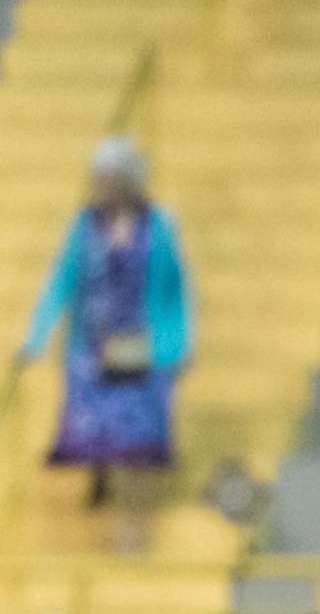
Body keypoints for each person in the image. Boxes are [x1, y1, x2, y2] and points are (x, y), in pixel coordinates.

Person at [16, 136, 192, 514]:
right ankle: (99, 482)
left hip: (140, 342)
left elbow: (175, 288)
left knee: (137, 434)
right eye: (101, 178)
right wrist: (36, 336)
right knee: (93, 429)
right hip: (92, 343)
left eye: (114, 177)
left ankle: (135, 506)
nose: (107, 186)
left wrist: (179, 342)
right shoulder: (84, 226)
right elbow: (60, 281)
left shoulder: (158, 225)